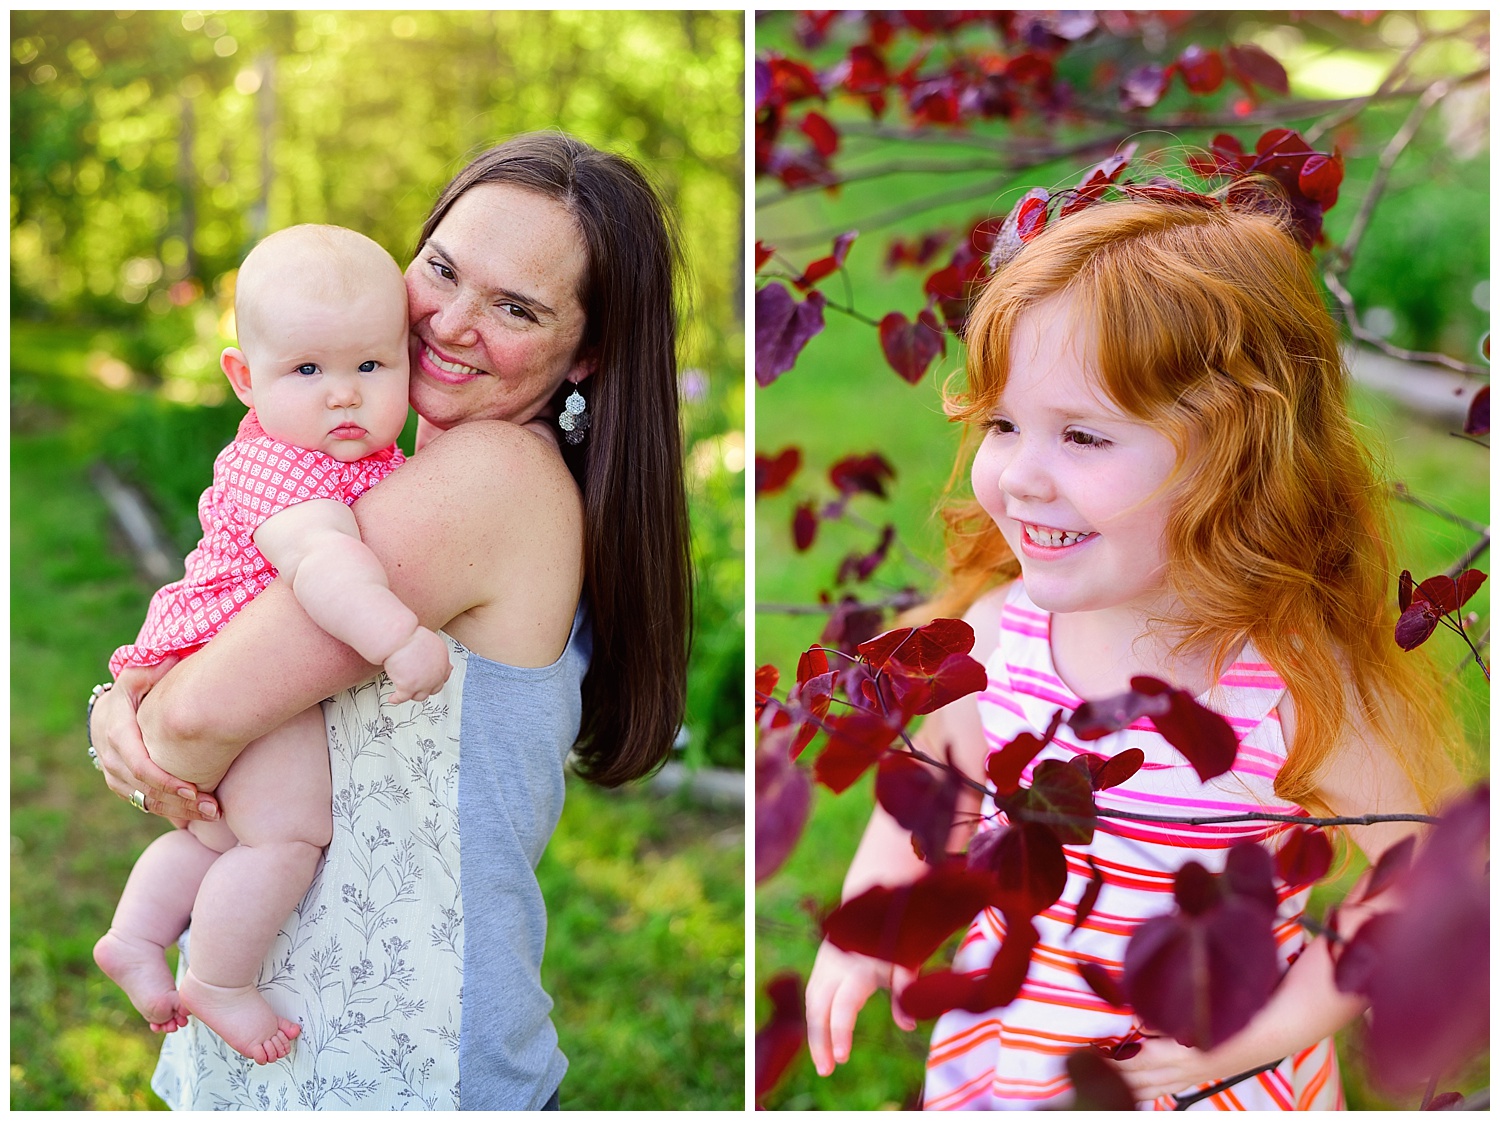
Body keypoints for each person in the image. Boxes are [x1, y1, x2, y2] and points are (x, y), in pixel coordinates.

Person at [803, 192, 1460, 1109]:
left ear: (1234, 460)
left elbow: (1411, 889)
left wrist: (1248, 1039)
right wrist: (872, 920)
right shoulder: (996, 640)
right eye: (1002, 424)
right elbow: (934, 797)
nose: (1022, 475)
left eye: (1081, 435)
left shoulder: (1289, 691)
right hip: (1020, 1065)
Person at [88, 132, 691, 1110]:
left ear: (588, 352)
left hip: (398, 1060)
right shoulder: (405, 476)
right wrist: (127, 701)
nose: (449, 322)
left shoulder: (488, 479)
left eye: (515, 307)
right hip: (314, 1035)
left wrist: (131, 719)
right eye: (443, 269)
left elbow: (191, 727)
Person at [94, 224, 452, 1066]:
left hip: (190, 655)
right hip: (225, 655)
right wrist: (400, 638)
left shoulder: (302, 450)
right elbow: (328, 572)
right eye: (307, 371)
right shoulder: (298, 479)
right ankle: (217, 978)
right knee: (288, 833)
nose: (344, 396)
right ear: (244, 380)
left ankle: (136, 935)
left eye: (371, 366)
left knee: (216, 834)